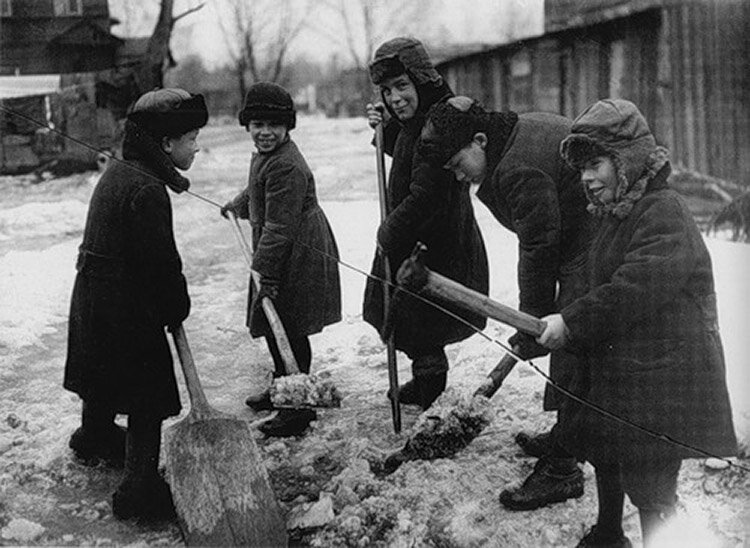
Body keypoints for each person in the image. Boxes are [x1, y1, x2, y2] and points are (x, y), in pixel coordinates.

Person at [537, 98, 737, 547]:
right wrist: (569, 318)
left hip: (667, 376)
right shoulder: (615, 214)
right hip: (629, 366)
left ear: (626, 160)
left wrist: (572, 322)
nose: (585, 179)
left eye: (595, 164)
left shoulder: (664, 212)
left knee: (650, 480)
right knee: (606, 450)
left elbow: (637, 287)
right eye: (581, 167)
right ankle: (609, 533)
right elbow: (594, 281)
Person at [418, 96, 594, 510]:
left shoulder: (517, 168)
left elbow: (539, 244)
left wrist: (531, 316)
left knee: (572, 348)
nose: (458, 176)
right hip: (582, 238)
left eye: (458, 163)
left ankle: (563, 468)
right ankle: (564, 435)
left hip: (594, 245)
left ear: (479, 140)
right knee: (566, 342)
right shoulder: (510, 135)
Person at [64, 88, 208, 520]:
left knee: (101, 376)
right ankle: (139, 488)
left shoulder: (121, 171)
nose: (197, 147)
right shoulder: (148, 190)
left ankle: (95, 435)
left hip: (93, 300)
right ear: (166, 144)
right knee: (147, 397)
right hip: (126, 309)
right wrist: (175, 305)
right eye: (191, 139)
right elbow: (161, 264)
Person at [362, 37, 489, 411]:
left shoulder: (441, 122)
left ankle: (431, 391)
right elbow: (406, 150)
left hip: (434, 241)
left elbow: (426, 196)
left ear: (422, 80)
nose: (394, 97)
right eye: (386, 91)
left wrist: (389, 232)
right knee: (413, 321)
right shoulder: (420, 119)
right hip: (414, 235)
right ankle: (423, 381)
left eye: (402, 86)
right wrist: (384, 129)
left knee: (425, 322)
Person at [221, 82, 342, 437]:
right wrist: (240, 205)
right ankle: (282, 386)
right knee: (275, 324)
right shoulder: (264, 156)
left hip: (297, 251)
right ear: (247, 126)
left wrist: (266, 275)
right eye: (257, 124)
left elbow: (280, 226)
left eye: (274, 125)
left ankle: (297, 406)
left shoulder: (286, 165)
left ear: (288, 127)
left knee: (289, 325)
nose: (265, 132)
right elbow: (258, 190)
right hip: (278, 246)